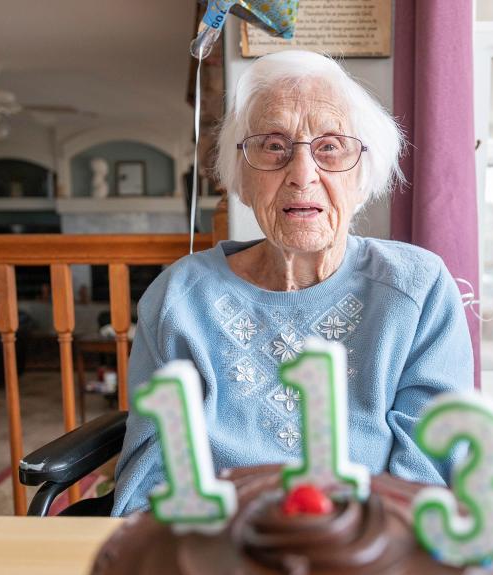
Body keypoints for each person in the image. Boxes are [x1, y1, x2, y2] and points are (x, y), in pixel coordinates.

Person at [113, 50, 473, 516]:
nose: (303, 175)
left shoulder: (418, 289)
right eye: (274, 146)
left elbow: (429, 472)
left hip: (366, 553)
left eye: (330, 147)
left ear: (364, 173)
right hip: (220, 552)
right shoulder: (179, 299)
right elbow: (150, 481)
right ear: (240, 175)